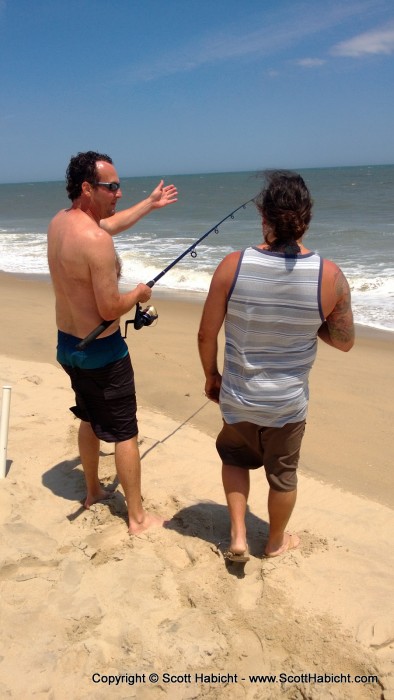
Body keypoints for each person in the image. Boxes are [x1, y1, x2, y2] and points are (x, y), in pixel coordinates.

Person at [198, 170, 354, 561]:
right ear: (307, 218)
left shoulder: (233, 266)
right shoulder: (330, 276)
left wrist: (212, 376)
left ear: (264, 216)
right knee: (283, 476)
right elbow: (344, 342)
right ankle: (274, 541)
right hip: (287, 405)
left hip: (238, 395)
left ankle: (236, 536)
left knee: (234, 458)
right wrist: (308, 320)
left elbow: (206, 335)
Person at [47, 150, 178, 534]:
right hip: (103, 353)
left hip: (68, 347)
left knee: (89, 416)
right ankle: (137, 518)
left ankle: (93, 492)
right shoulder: (95, 240)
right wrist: (138, 294)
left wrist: (149, 205)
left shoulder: (60, 223)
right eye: (112, 187)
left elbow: (106, 226)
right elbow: (108, 309)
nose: (119, 193)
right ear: (88, 188)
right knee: (124, 433)